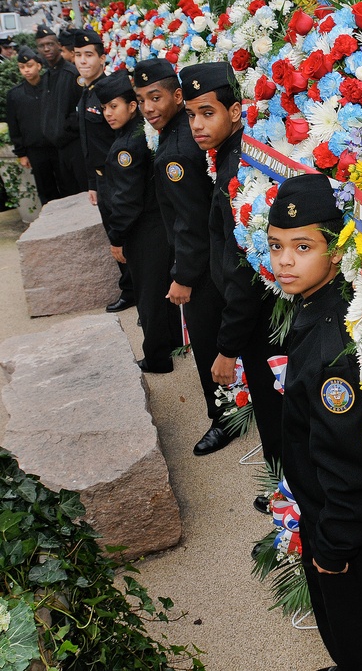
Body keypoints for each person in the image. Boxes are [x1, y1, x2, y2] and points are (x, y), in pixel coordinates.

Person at [267, 174, 362, 671]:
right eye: (276, 245)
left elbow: (352, 468)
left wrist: (332, 545)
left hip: (345, 532)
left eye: (303, 246)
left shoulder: (335, 350)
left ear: (335, 248)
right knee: (342, 627)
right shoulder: (321, 306)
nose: (284, 260)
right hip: (325, 514)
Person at [179, 62, 284, 465]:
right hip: (257, 316)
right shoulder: (230, 157)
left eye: (208, 112)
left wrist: (227, 348)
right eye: (191, 115)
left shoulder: (235, 173)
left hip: (258, 321)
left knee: (274, 413)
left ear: (236, 111)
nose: (197, 125)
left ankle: (287, 496)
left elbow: (243, 269)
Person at [134, 58, 227, 452]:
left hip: (203, 267)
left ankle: (222, 417)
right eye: (140, 100)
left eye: (155, 97)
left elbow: (190, 223)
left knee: (207, 340)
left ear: (176, 96)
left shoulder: (176, 150)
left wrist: (183, 277)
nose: (148, 108)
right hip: (212, 257)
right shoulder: (180, 135)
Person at [94, 70, 179, 373]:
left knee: (149, 297)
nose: (108, 113)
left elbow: (127, 200)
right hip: (155, 226)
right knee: (160, 291)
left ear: (132, 106)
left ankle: (157, 358)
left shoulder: (129, 145)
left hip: (143, 230)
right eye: (104, 108)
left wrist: (116, 238)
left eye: (113, 106)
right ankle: (170, 347)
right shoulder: (138, 133)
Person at [76, 28, 134, 313]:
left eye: (89, 55)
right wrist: (91, 182)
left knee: (125, 237)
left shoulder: (112, 90)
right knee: (115, 237)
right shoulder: (87, 93)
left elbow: (118, 140)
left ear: (102, 58)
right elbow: (88, 143)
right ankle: (131, 289)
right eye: (77, 55)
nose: (82, 61)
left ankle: (135, 290)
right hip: (101, 179)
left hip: (118, 177)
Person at [7, 47, 62, 205]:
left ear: (38, 65)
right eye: (22, 67)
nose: (26, 70)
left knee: (67, 185)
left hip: (57, 145)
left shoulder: (52, 86)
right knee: (46, 190)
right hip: (36, 150)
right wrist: (21, 153)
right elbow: (14, 125)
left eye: (29, 66)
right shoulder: (15, 95)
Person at [39, 27, 86, 198]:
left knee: (83, 192)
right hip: (58, 149)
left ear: (59, 45)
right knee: (70, 194)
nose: (46, 49)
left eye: (50, 44)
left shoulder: (71, 73)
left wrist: (65, 128)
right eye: (42, 46)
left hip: (75, 145)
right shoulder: (47, 76)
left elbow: (81, 107)